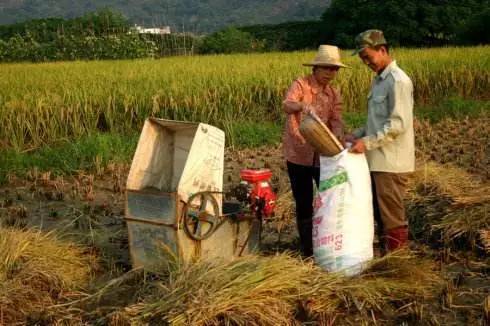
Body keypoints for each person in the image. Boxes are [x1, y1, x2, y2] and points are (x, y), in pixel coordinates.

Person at [347, 29, 415, 252]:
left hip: (391, 163)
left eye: (368, 56)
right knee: (380, 213)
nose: (366, 62)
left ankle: (398, 262)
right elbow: (376, 124)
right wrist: (355, 135)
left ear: (382, 50)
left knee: (392, 215)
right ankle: (386, 255)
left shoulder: (398, 81)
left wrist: (365, 143)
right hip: (377, 160)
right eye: (362, 59)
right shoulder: (379, 81)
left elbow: (397, 125)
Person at [282, 45, 347, 257]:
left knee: (327, 199)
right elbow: (287, 104)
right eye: (327, 68)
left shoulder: (333, 93)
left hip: (323, 156)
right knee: (303, 201)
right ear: (316, 68)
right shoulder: (300, 85)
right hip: (298, 153)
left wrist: (337, 135)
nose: (331, 73)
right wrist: (301, 106)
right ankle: (307, 249)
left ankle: (325, 243)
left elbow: (336, 120)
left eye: (334, 69)